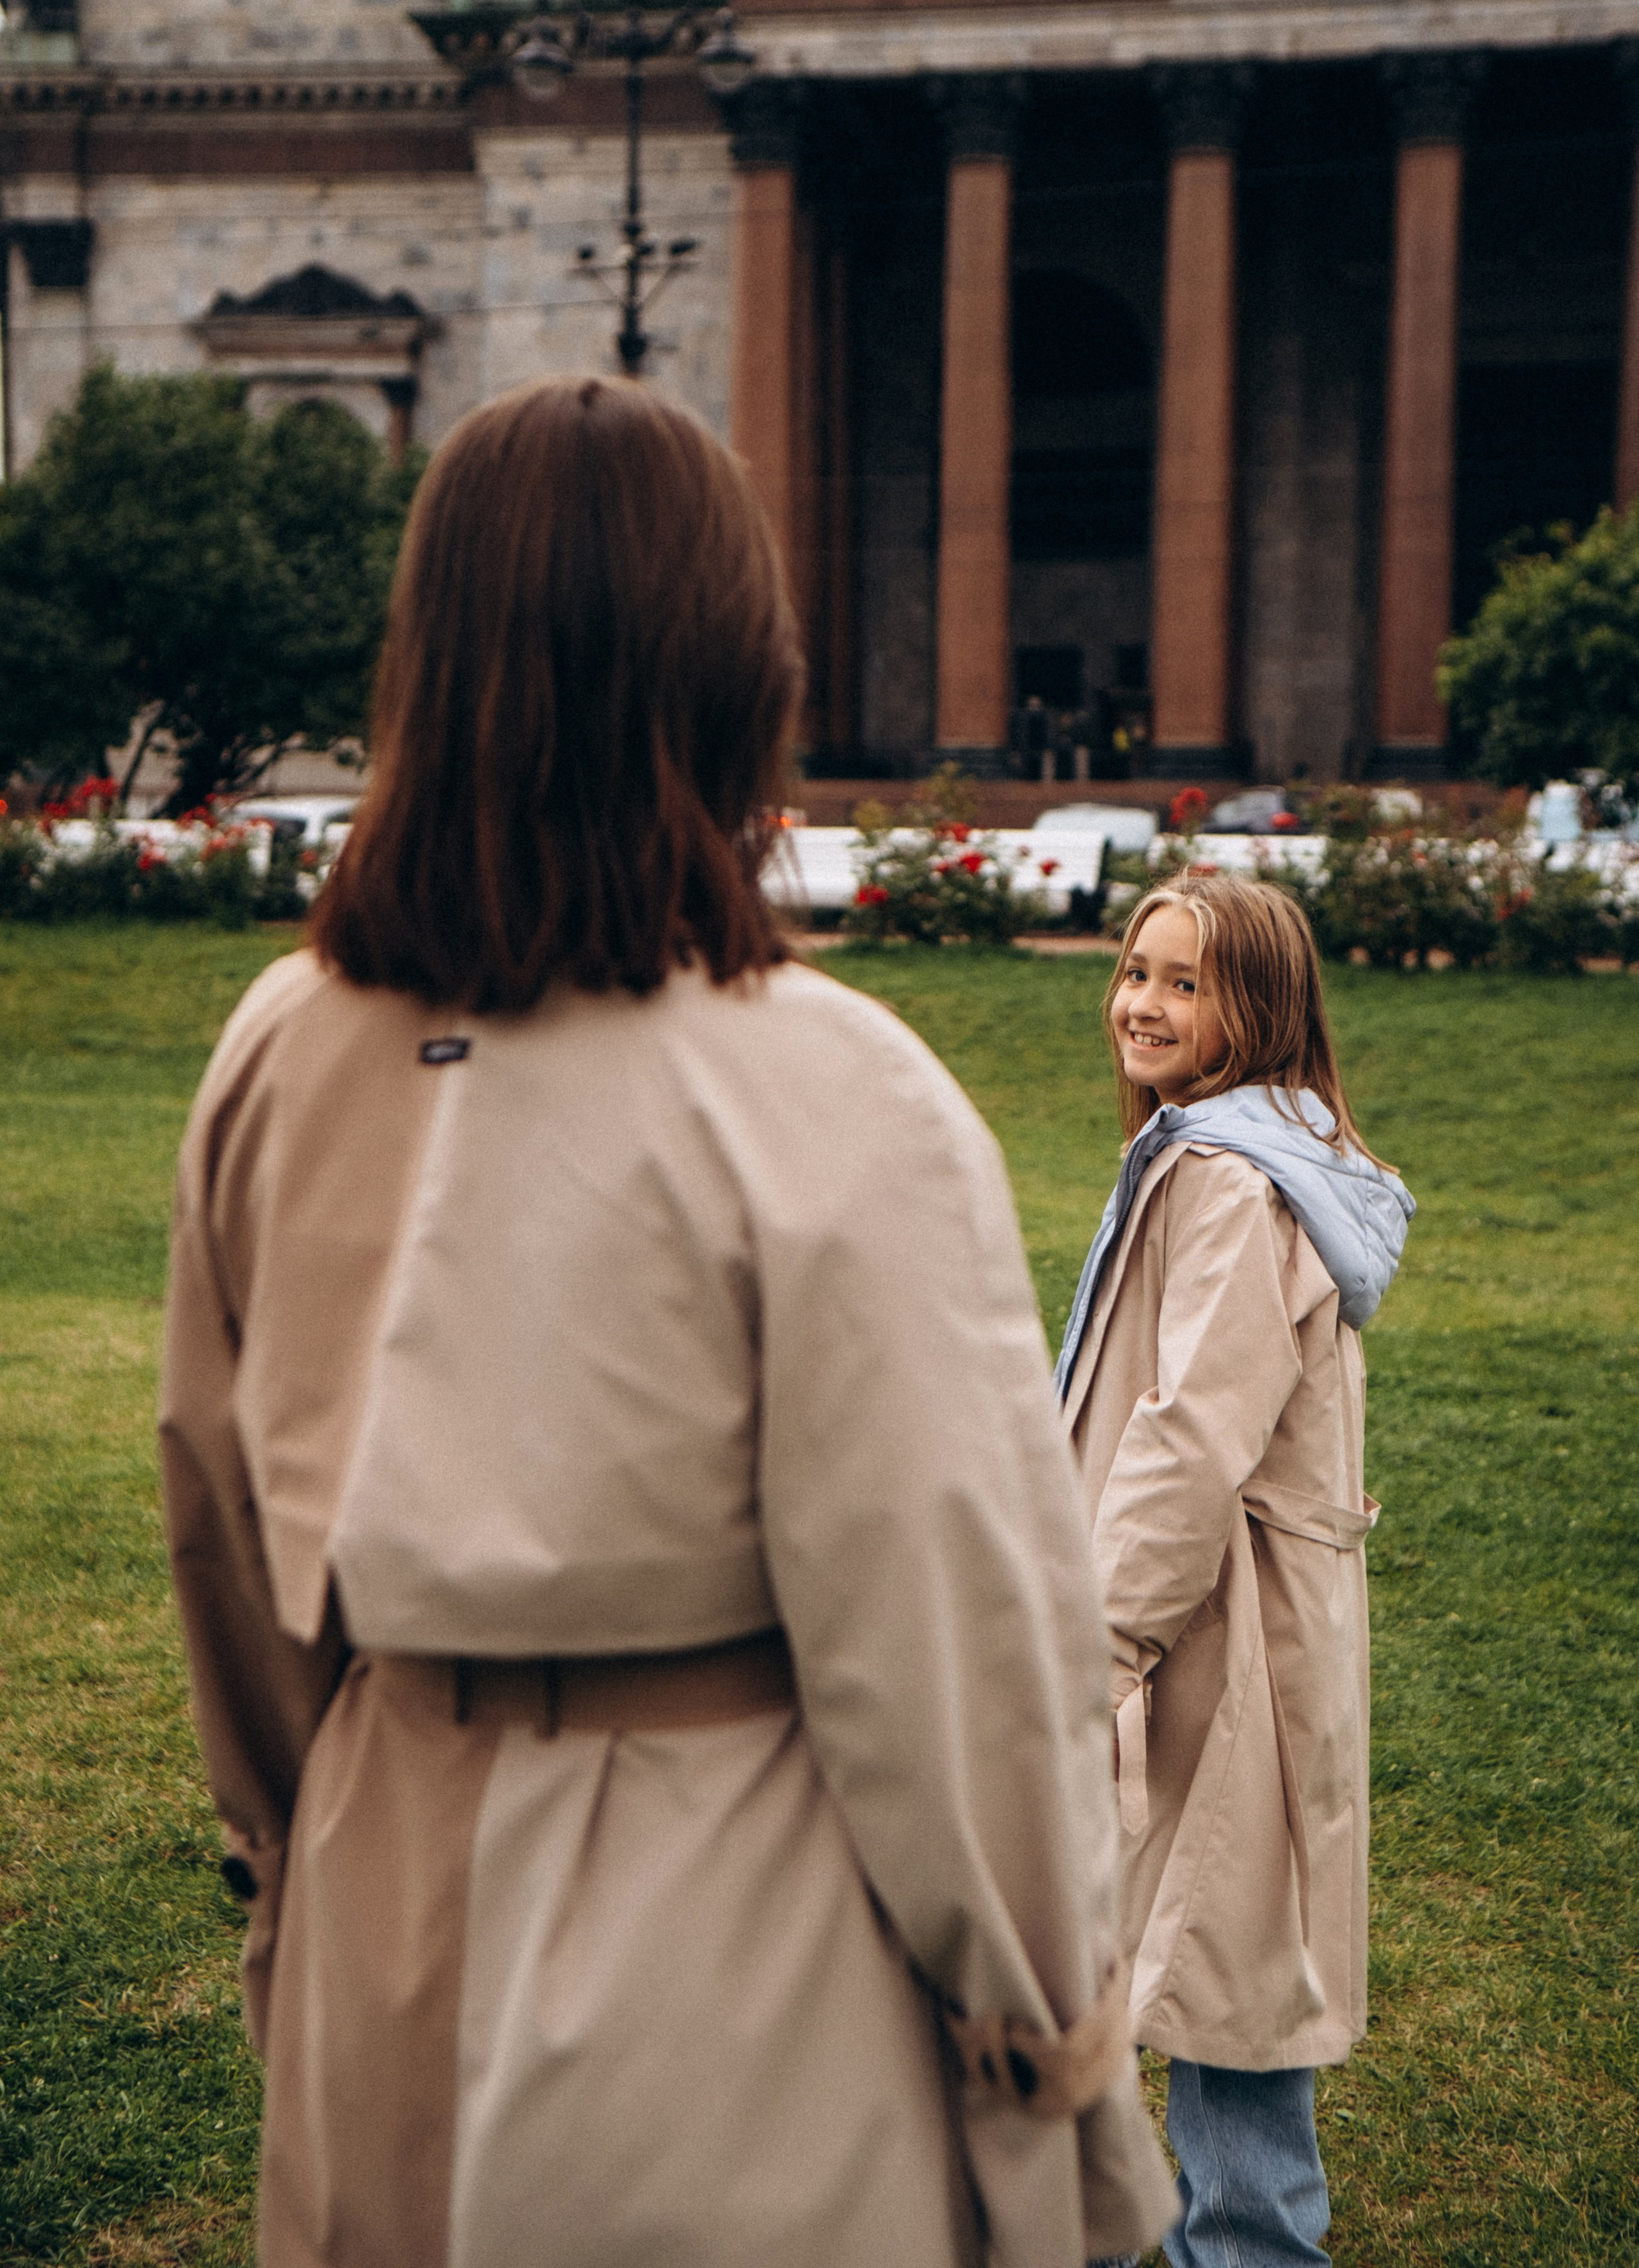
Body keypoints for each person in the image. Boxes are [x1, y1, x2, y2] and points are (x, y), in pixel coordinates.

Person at [159, 377, 1175, 2268]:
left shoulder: (279, 1049)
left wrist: (304, 1880)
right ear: (738, 672)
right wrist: (1056, 2074)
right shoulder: (838, 1094)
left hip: (380, 1910)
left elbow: (223, 1546)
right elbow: (954, 1654)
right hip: (730, 1965)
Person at [1054, 873, 1414, 2268]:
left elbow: (1191, 1434)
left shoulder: (1229, 1179)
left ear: (1252, 1008)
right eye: (1133, 971)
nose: (1139, 1004)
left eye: (1182, 983)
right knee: (1186, 1935)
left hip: (1218, 1623)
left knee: (1231, 1954)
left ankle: (1249, 2247)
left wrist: (1094, 1651)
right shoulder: (1224, 1150)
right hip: (1193, 1608)